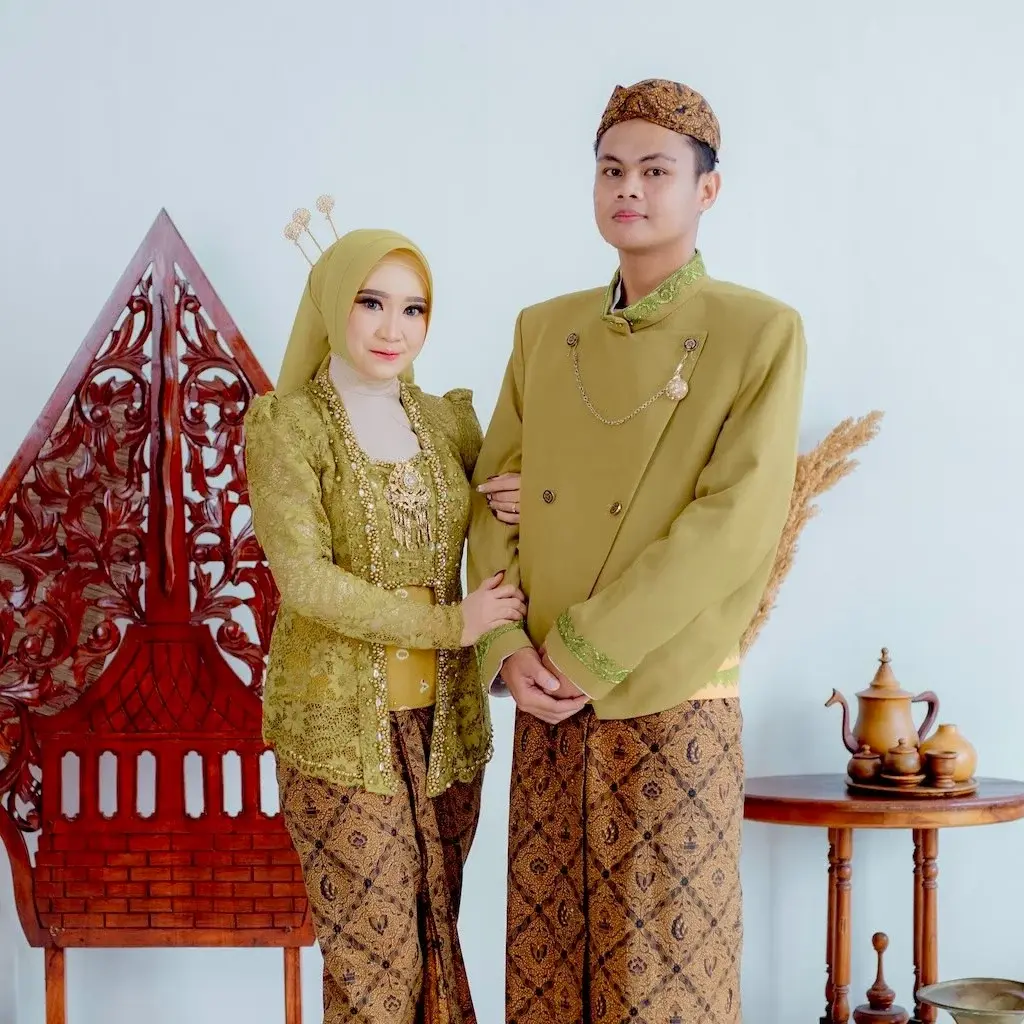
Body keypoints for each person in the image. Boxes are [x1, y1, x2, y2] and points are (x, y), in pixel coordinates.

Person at [467, 79, 807, 1023]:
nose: (629, 188)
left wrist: (582, 652)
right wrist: (506, 648)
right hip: (544, 699)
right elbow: (494, 496)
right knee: (546, 979)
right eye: (612, 169)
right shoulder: (545, 329)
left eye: (657, 171)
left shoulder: (759, 331)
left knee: (661, 984)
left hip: (670, 695)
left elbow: (732, 522)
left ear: (707, 190)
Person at [244, 219, 524, 1024]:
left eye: (413, 308)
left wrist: (518, 497)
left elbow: (500, 522)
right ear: (333, 303)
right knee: (376, 963)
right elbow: (305, 581)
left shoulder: (449, 422)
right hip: (340, 731)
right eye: (371, 302)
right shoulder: (289, 425)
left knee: (434, 940)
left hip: (445, 733)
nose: (392, 328)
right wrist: (451, 626)